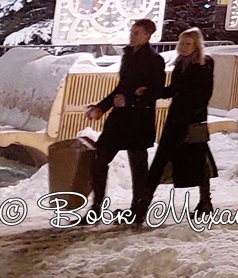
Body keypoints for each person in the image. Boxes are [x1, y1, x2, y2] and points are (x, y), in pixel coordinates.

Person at [87, 17, 164, 221]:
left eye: (137, 33)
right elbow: (121, 88)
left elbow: (156, 91)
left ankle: (138, 210)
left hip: (139, 120)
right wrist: (102, 107)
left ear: (148, 36)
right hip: (120, 119)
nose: (132, 36)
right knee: (99, 159)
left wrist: (130, 100)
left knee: (138, 166)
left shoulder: (154, 60)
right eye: (132, 32)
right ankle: (96, 208)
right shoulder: (128, 55)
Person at [144, 28, 217, 221]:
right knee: (163, 159)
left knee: (198, 161)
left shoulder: (204, 64)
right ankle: (142, 205)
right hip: (177, 118)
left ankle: (205, 201)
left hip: (192, 120)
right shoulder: (180, 63)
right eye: (182, 43)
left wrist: (190, 110)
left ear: (196, 46)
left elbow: (203, 93)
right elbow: (174, 90)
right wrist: (153, 92)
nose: (184, 47)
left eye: (188, 44)